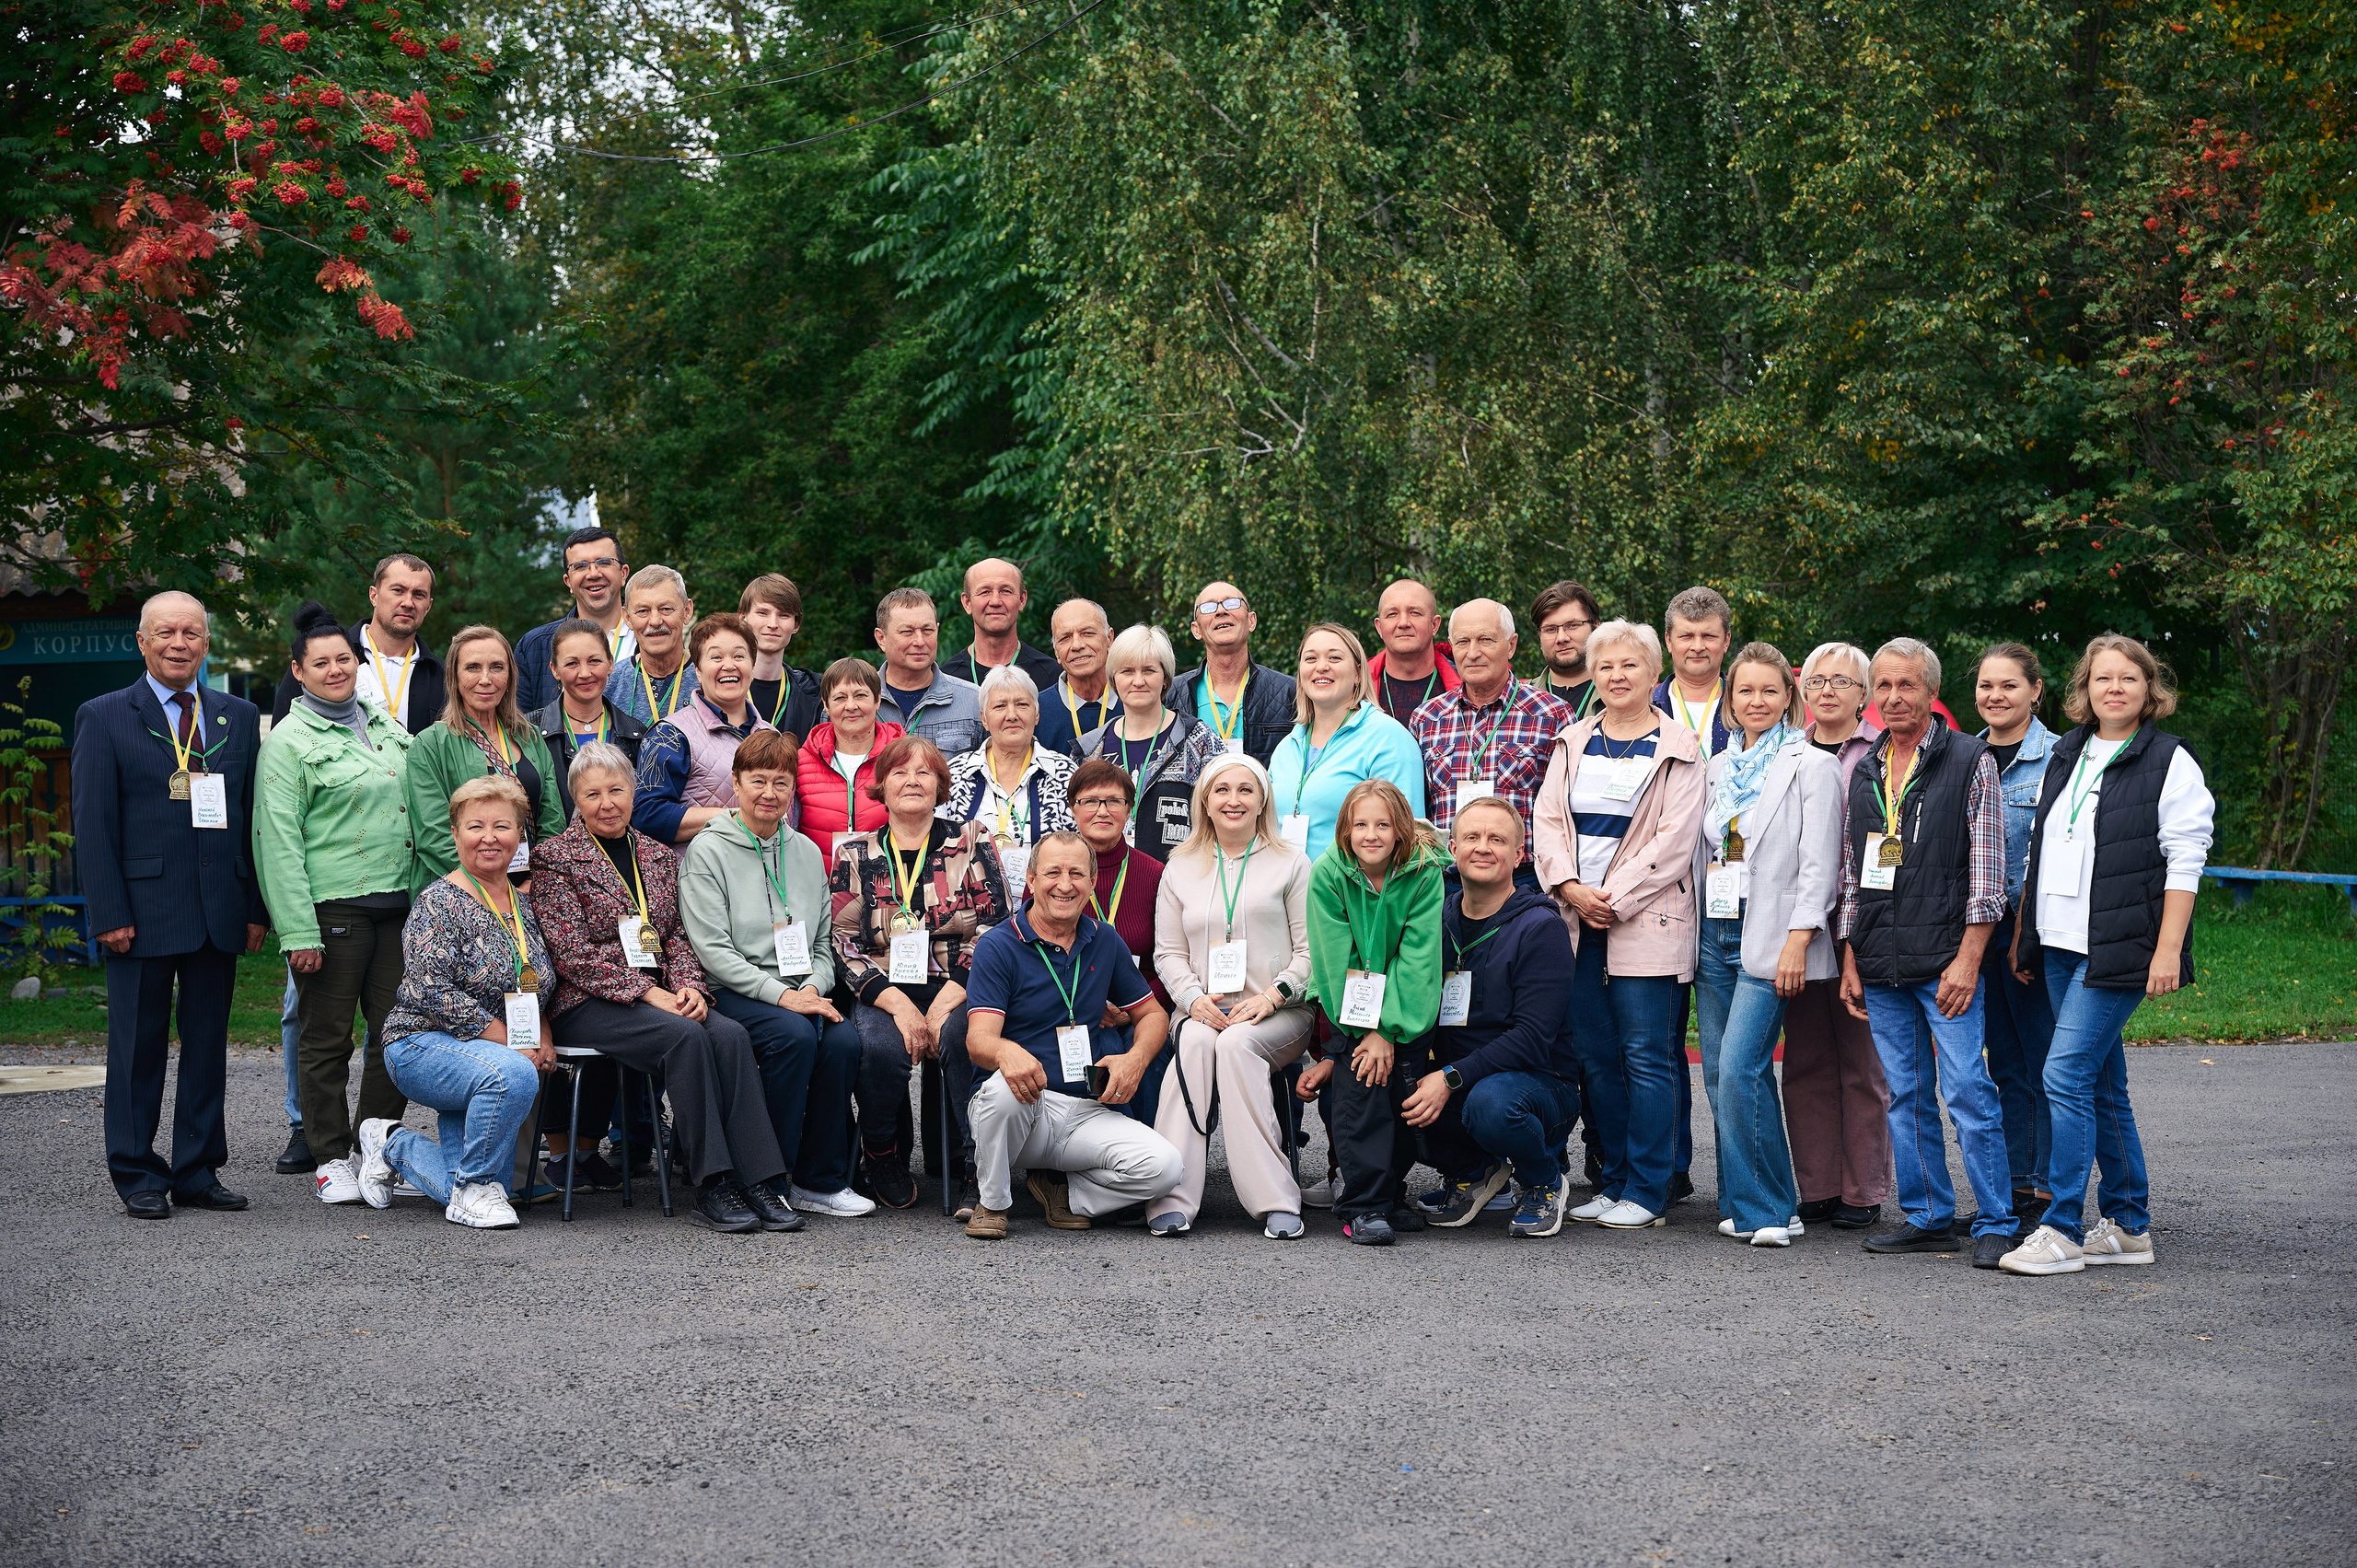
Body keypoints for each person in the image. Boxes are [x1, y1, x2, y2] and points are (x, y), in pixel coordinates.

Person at [2001, 634, 2212, 1276]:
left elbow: (2186, 857)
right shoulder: (2068, 752)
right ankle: (2127, 1224)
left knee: (2062, 1074)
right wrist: (2025, 938)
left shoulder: (2168, 760)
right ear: (2084, 690)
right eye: (2101, 678)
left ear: (2151, 690)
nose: (2114, 687)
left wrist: (2168, 948)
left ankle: (2061, 1226)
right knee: (2101, 1083)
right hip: (2060, 945)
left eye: (2128, 678)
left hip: (2118, 951)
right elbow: (2042, 851)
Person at [531, 742, 802, 1234]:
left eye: (617, 790)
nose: (607, 803)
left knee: (729, 1034)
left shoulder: (655, 854)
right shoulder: (555, 858)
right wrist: (643, 991)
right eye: (593, 794)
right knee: (688, 1037)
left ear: (634, 793)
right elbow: (569, 952)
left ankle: (761, 1178)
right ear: (576, 799)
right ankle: (712, 1182)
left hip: (664, 995)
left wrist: (689, 987)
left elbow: (676, 933)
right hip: (589, 1000)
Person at [75, 590, 267, 1218]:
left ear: (206, 643)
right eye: (166, 632)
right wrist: (107, 912)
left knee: (208, 1044)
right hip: (140, 911)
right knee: (137, 1048)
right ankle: (137, 1172)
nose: (179, 642)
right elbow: (94, 824)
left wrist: (255, 906)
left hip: (218, 909)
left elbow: (249, 822)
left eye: (191, 632)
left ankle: (196, 1169)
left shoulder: (237, 716)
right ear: (142, 642)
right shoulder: (103, 716)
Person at [1837, 637, 2016, 1268]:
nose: (1893, 697)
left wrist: (1969, 959)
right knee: (1905, 1094)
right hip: (1881, 962)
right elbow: (1854, 873)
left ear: (1930, 691)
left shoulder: (1971, 760)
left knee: (1969, 1089)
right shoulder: (1864, 767)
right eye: (1882, 686)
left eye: (1906, 685)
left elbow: (1989, 875)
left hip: (1945, 964)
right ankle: (1928, 1214)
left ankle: (1996, 1218)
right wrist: (1851, 956)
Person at [1531, 620, 1704, 1231]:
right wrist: (1572, 889)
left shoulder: (1680, 747)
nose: (1617, 676)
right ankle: (1616, 1180)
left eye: (1630, 666)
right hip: (1578, 922)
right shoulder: (1572, 742)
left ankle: (1652, 1189)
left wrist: (1614, 897)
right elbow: (1547, 821)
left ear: (1653, 674)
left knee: (1647, 1056)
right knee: (1598, 1058)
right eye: (1606, 667)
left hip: (1646, 919)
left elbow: (1674, 841)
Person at [255, 601, 418, 1203]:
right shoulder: (289, 743)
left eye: (343, 658)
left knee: (394, 1035)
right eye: (320, 662)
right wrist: (297, 931)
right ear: (298, 672)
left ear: (357, 662)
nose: (334, 669)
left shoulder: (382, 724)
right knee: (327, 1038)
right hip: (334, 909)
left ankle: (374, 1145)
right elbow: (277, 841)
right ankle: (328, 1156)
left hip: (397, 905)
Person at [679, 729, 872, 1219]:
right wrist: (784, 999)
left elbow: (826, 943)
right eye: (757, 781)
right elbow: (713, 951)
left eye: (781, 784)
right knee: (794, 1036)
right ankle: (768, 1173)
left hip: (800, 988)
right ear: (737, 784)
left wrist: (811, 987)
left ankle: (819, 1178)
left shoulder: (806, 852)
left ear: (792, 791)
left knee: (844, 1041)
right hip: (733, 988)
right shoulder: (708, 851)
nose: (769, 794)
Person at [1690, 644, 1842, 1248]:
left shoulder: (1813, 765)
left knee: (1740, 1065)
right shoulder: (1719, 766)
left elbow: (1820, 864)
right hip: (1716, 924)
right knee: (1721, 1078)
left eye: (1769, 691)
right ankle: (1741, 1199)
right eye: (1744, 692)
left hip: (1774, 928)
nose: (1756, 701)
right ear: (1730, 701)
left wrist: (1799, 940)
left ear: (1789, 697)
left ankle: (1770, 1208)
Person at [960, 832, 1186, 1237]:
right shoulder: (998, 944)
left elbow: (1152, 1014)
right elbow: (978, 1041)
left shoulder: (1104, 939)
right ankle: (991, 1203)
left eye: (1076, 874)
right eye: (1052, 873)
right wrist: (1006, 1053)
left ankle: (1066, 1193)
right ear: (1030, 880)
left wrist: (1134, 1059)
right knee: (1003, 1091)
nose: (1065, 885)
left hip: (1083, 1109)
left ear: (1092, 883)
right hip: (1020, 1109)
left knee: (1165, 1167)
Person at [358, 776, 554, 1229]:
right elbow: (431, 990)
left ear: (520, 836)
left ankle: (391, 1143)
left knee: (484, 1189)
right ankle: (474, 1188)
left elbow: (537, 980)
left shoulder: (524, 906)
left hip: (487, 1053)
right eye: (476, 826)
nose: (489, 837)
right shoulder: (438, 902)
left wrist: (542, 1031)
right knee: (513, 1075)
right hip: (421, 1044)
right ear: (455, 835)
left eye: (502, 826)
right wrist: (508, 1040)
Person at [830, 736, 1013, 1212]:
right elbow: (843, 940)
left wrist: (943, 1004)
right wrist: (899, 1004)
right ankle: (883, 1156)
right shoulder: (854, 852)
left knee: (962, 1040)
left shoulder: (970, 842)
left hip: (960, 982)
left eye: (924, 772)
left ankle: (979, 1168)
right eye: (899, 773)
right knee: (879, 1047)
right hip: (885, 987)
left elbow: (995, 928)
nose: (912, 781)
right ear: (882, 787)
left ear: (940, 785)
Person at [1147, 754, 1315, 1238]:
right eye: (1222, 790)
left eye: (1246, 789)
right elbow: (1168, 953)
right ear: (1205, 800)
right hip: (1202, 1007)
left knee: (1236, 1044)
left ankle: (1274, 1197)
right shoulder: (1180, 866)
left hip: (1278, 1012)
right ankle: (1171, 1193)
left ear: (1263, 799)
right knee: (1200, 1042)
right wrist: (1193, 999)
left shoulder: (1291, 862)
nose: (1234, 800)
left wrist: (1273, 997)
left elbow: (1309, 953)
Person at [1397, 797, 1581, 1235]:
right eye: (1472, 837)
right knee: (1383, 1082)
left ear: (1519, 856)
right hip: (1460, 1076)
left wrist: (1450, 1077)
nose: (1483, 847)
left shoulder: (1540, 927)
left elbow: (1533, 1038)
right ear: (1453, 848)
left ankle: (1544, 1180)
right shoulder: (1436, 917)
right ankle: (1475, 1171)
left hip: (1535, 1084)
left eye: (1497, 839)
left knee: (1492, 1105)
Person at [1302, 779, 1447, 1245]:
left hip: (1408, 1011)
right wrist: (1367, 1031)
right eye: (1360, 824)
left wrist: (1388, 1030)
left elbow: (1419, 957)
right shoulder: (1328, 873)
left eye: (1383, 824)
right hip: (1351, 1015)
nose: (1371, 835)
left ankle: (1389, 1193)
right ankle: (1362, 1204)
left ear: (1401, 829)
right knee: (1362, 1102)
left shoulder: (1424, 874)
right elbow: (1332, 958)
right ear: (1345, 829)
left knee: (1403, 1106)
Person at [1779, 641, 1892, 1226]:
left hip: (1862, 924)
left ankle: (1863, 1189)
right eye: (1817, 680)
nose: (1827, 690)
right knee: (1804, 1059)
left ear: (1863, 695)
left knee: (1862, 1063)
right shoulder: (1782, 754)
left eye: (1842, 682)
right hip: (1797, 925)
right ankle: (1817, 1184)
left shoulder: (1881, 755)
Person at [1974, 643, 2061, 1222]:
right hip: (1977, 930)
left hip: (2032, 928)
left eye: (2009, 686)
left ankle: (2049, 1189)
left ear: (2035, 691)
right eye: (1986, 686)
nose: (1995, 697)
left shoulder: (2058, 759)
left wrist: (2028, 932)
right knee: (2001, 1061)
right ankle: (2015, 1187)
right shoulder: (1963, 757)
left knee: (2043, 1061)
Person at [1408, 599, 1573, 884]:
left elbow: (1567, 812)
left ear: (1511, 645)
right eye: (1463, 642)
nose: (1473, 653)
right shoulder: (1426, 719)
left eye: (1485, 640)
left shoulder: (1552, 715)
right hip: (1446, 879)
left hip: (1524, 882)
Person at [404, 626, 567, 894]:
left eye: (496, 667)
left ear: (510, 676)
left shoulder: (531, 737)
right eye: (472, 667)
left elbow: (553, 818)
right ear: (454, 677)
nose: (485, 679)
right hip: (463, 894)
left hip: (532, 891)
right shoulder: (429, 745)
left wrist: (537, 882)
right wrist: (496, 889)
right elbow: (434, 836)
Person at [1066, 759, 1173, 1120]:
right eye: (1090, 801)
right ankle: (1090, 1158)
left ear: (1129, 810)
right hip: (1072, 1008)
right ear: (1073, 809)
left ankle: (1148, 1155)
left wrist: (1131, 1011)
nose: (1102, 810)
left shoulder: (1156, 874)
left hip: (1144, 1007)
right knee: (1098, 1048)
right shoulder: (1055, 873)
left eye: (1114, 801)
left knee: (1151, 1056)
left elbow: (1171, 957)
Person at [1266, 623, 1426, 863]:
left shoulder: (1388, 739)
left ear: (1358, 673)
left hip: (1352, 895)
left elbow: (1409, 839)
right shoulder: (1287, 747)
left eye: (1334, 657)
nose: (1322, 666)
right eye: (1310, 658)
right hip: (1286, 894)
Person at [1077, 624, 1227, 857]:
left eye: (1148, 670)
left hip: (1180, 882)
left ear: (1166, 679)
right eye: (1127, 671)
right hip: (1104, 885)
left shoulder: (1199, 740)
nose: (1138, 681)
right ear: (1114, 680)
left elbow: (1224, 815)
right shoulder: (1089, 750)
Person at [632, 612, 776, 845]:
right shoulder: (670, 735)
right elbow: (647, 815)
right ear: (697, 671)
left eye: (739, 656)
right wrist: (729, 818)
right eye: (716, 657)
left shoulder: (772, 736)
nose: (728, 666)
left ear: (753, 665)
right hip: (699, 878)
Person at [269, 553, 445, 736]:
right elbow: (283, 738)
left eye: (419, 595)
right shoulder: (318, 660)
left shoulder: (443, 677)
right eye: (398, 590)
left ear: (428, 606)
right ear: (374, 596)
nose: (408, 603)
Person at [943, 665, 1078, 900]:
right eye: (1000, 706)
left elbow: (1080, 850)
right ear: (984, 718)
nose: (1012, 714)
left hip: (1048, 909)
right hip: (970, 915)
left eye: (1022, 704)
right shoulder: (954, 775)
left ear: (1037, 714)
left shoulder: (1065, 774)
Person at [528, 616, 649, 822]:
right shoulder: (530, 732)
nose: (585, 673)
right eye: (572, 663)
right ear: (554, 669)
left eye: (594, 661)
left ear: (610, 664)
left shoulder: (636, 735)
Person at [1173, 580, 1297, 764]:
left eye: (1232, 603)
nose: (1221, 611)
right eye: (1208, 607)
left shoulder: (1290, 692)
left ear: (1251, 621)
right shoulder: (1171, 695)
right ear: (1196, 630)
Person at [516, 526, 634, 715]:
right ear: (568, 581)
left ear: (623, 573)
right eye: (580, 566)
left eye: (604, 562)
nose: (593, 573)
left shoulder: (649, 637)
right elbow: (518, 729)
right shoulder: (534, 647)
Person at [796, 657, 905, 859]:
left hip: (890, 884)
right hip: (819, 885)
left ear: (878, 700)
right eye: (840, 698)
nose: (851, 706)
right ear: (826, 706)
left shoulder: (903, 759)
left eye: (860, 695)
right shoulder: (802, 762)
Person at [873, 587, 986, 756]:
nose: (919, 641)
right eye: (907, 632)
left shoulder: (974, 702)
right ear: (881, 638)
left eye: (927, 631)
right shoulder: (853, 705)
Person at [939, 556, 1063, 692]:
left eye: (1006, 591)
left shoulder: (1054, 678)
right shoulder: (945, 680)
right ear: (967, 602)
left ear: (1022, 600)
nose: (995, 601)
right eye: (985, 592)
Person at [604, 565, 699, 728]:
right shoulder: (610, 684)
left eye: (666, 609)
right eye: (643, 611)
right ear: (627, 618)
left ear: (687, 611)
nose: (655, 621)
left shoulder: (710, 680)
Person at [739, 573, 822, 744]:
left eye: (783, 615)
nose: (773, 624)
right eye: (763, 613)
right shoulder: (718, 688)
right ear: (743, 618)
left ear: (796, 624)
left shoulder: (815, 693)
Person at [1655, 585, 1734, 757]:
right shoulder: (1647, 707)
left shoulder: (1746, 707)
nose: (1697, 647)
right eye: (1686, 636)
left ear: (1726, 641)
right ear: (1668, 641)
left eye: (1709, 636)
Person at [1037, 598, 1121, 757]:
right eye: (1065, 638)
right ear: (1056, 652)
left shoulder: (1135, 701)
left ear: (1109, 639)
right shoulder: (1036, 711)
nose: (1077, 645)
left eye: (1087, 633)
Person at [1366, 578, 1459, 724]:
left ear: (1434, 625)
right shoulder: (1356, 687)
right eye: (1392, 614)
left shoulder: (1468, 685)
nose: (1403, 623)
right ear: (1379, 628)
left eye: (1415, 613)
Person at [1532, 580, 1604, 719]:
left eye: (1572, 625)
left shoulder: (1621, 694)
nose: (1561, 638)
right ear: (1539, 636)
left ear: (1596, 628)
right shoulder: (1517, 699)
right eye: (1550, 629)